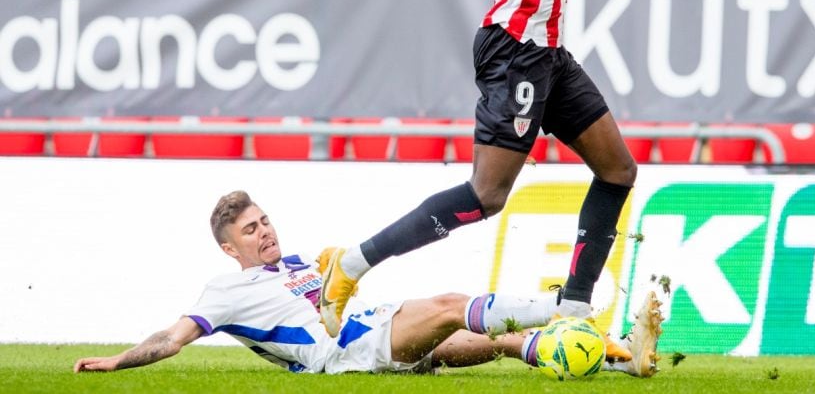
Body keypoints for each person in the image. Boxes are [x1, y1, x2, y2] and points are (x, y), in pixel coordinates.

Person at [319, 0, 768, 349]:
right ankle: (351, 263)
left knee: (617, 171)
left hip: (546, 53)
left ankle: (574, 312)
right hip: (515, 54)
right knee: (486, 195)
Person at [73, 191, 663, 377]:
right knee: (454, 305)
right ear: (230, 248)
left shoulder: (303, 262)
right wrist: (119, 359)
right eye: (251, 231)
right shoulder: (225, 292)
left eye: (266, 220)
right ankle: (565, 309)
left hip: (374, 328)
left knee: (499, 341)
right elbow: (173, 338)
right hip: (346, 356)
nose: (265, 232)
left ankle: (624, 363)